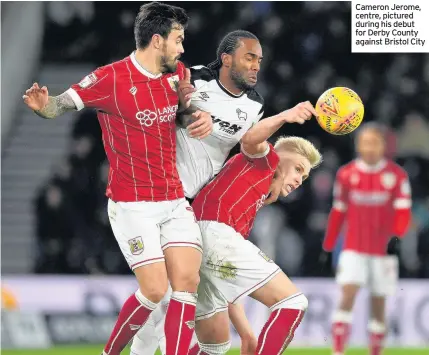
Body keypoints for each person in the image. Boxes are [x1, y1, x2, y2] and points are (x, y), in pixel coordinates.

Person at [22, 3, 213, 355]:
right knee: (156, 290)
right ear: (157, 41)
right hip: (132, 206)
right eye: (178, 40)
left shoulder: (177, 74)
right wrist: (44, 107)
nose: (182, 49)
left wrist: (200, 118)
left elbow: (187, 113)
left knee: (186, 284)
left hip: (173, 201)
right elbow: (61, 104)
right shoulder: (110, 78)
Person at [130, 29, 306, 355]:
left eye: (260, 60)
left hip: (191, 203)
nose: (256, 66)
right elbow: (157, 102)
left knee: (184, 309)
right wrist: (191, 114)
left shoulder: (254, 105)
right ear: (226, 58)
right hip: (159, 193)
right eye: (249, 57)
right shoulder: (194, 77)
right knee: (163, 296)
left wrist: (247, 333)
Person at [185, 101, 322, 355]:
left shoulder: (250, 194)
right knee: (292, 302)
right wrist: (286, 116)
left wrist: (246, 333)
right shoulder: (265, 160)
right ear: (280, 156)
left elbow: (225, 280)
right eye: (298, 169)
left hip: (199, 246)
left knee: (214, 347)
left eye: (303, 178)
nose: (298, 181)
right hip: (213, 234)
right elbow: (250, 138)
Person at [323, 123, 412, 355]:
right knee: (347, 295)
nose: (369, 148)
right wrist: (329, 245)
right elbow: (338, 212)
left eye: (374, 142)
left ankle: (375, 352)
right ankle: (338, 351)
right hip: (354, 247)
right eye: (365, 142)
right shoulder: (346, 174)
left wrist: (397, 237)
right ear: (358, 145)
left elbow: (403, 212)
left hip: (383, 251)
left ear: (384, 146)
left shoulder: (397, 176)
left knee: (378, 304)